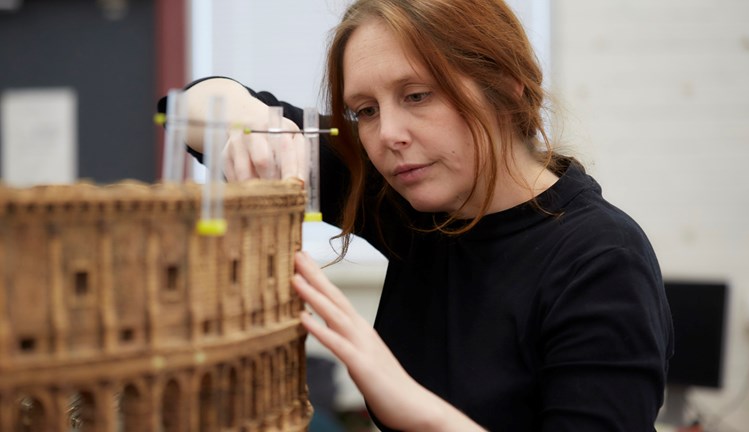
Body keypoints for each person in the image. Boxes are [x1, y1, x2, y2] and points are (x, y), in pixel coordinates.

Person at [163, 1, 673, 430]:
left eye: (417, 95)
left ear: (507, 86)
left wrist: (413, 407)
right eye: (365, 110)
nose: (388, 135)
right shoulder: (409, 200)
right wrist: (254, 120)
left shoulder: (603, 260)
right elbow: (181, 111)